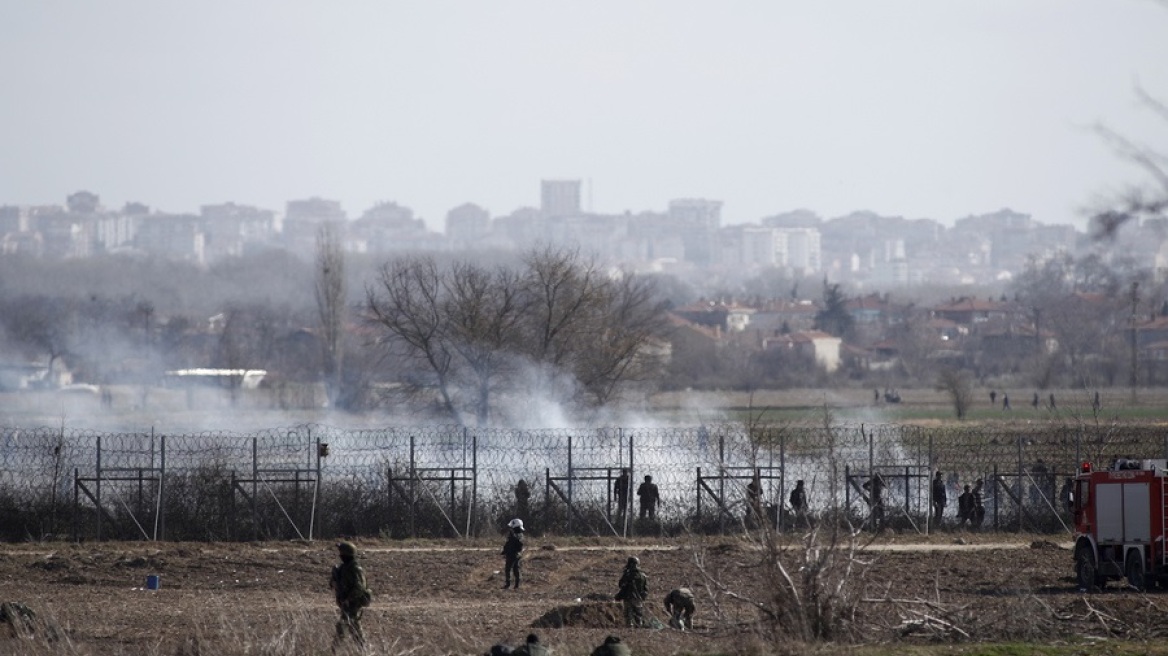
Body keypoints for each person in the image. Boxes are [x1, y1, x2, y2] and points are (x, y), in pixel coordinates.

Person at [330, 540, 371, 647]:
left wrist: (348, 599)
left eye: (341, 552)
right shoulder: (343, 568)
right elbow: (334, 584)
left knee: (348, 627)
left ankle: (336, 649)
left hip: (353, 604)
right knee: (351, 628)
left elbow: (359, 587)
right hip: (346, 603)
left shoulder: (355, 569)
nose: (339, 555)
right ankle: (338, 649)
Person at [615, 556, 649, 628]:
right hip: (639, 600)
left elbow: (621, 585)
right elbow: (646, 589)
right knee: (638, 617)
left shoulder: (628, 574)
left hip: (629, 598)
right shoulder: (643, 576)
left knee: (628, 617)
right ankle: (639, 631)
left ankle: (630, 633)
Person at [502, 518, 525, 589]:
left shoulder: (518, 535)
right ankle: (515, 585)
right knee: (515, 569)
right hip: (513, 554)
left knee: (509, 569)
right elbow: (508, 544)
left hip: (514, 554)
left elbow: (517, 545)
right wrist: (504, 551)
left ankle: (509, 584)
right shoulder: (516, 535)